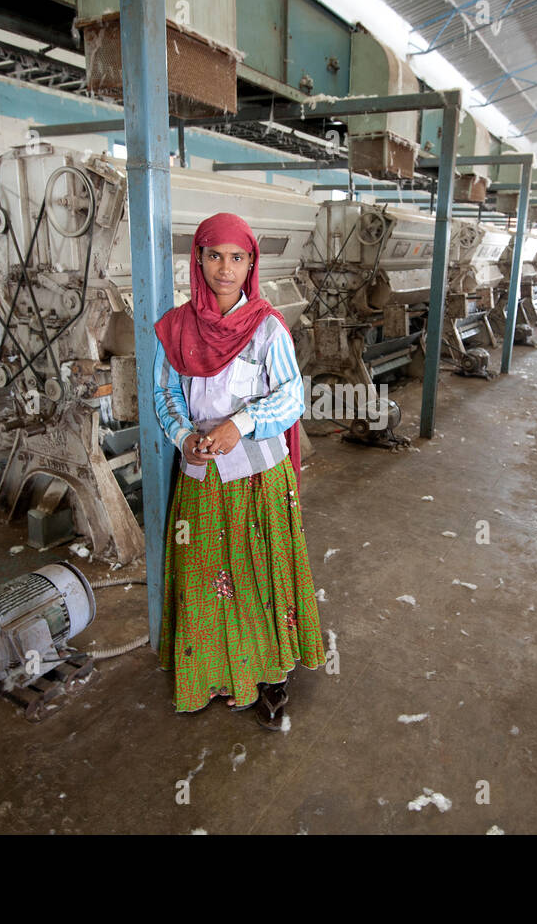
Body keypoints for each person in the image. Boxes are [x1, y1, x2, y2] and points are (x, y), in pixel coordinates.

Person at [152, 212, 325, 730]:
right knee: (204, 573)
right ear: (198, 259)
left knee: (257, 573)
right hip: (202, 476)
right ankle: (212, 672)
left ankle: (270, 676)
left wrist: (242, 423)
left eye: (237, 258)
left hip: (257, 478)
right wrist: (185, 437)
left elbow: (292, 395)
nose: (224, 269)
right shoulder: (177, 327)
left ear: (250, 265)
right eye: (214, 256)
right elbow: (164, 393)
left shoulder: (267, 327)